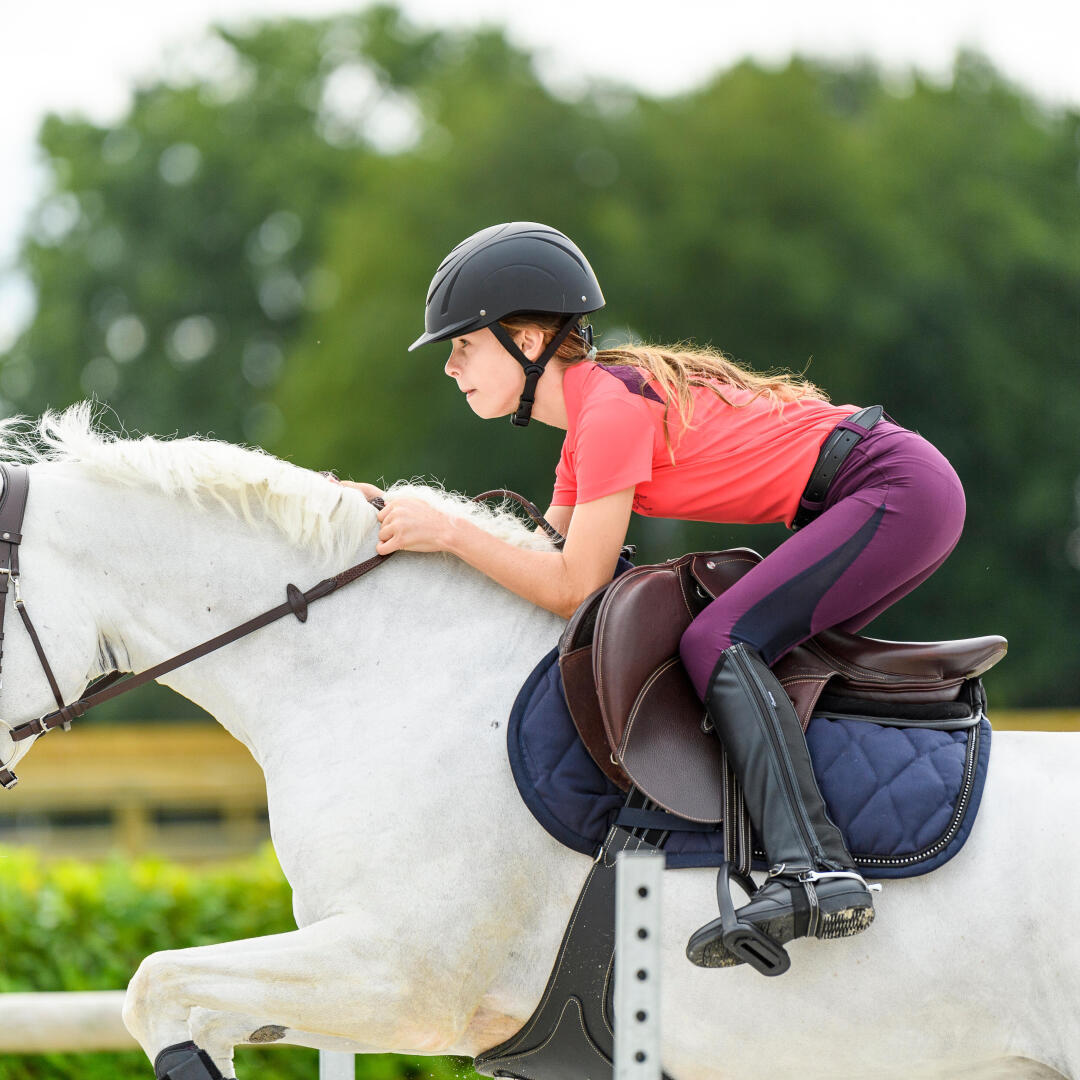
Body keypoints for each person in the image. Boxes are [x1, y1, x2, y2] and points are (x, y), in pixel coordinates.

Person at [338, 221, 966, 969]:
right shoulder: (584, 429)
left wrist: (445, 530)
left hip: (896, 488)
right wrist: (383, 514)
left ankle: (816, 869)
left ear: (530, 340)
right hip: (881, 491)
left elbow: (577, 583)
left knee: (717, 641)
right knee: (747, 654)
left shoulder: (607, 412)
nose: (450, 367)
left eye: (463, 346)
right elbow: (540, 558)